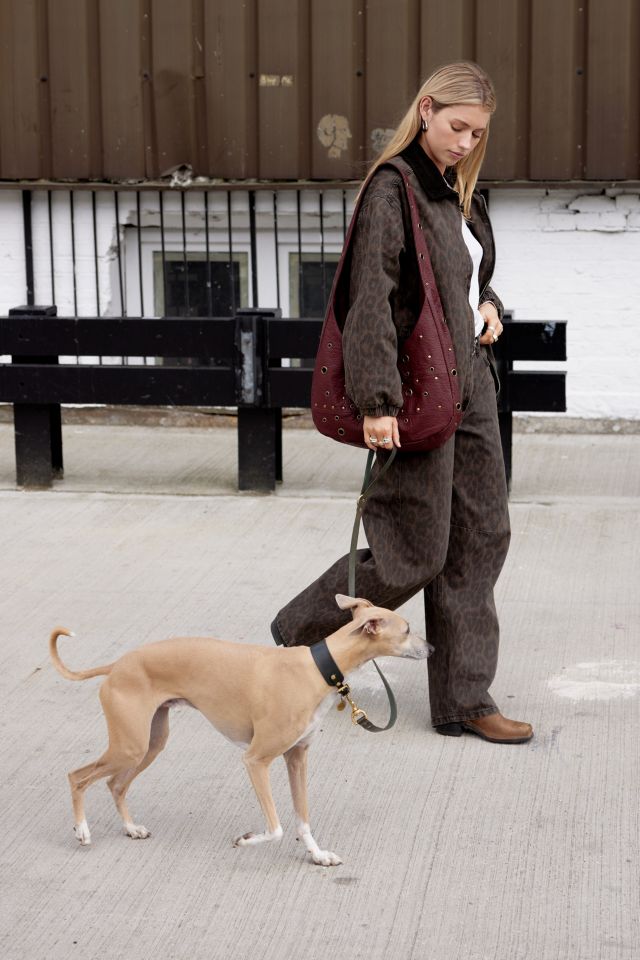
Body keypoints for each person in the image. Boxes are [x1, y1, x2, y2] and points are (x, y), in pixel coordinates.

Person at [271, 61, 533, 745]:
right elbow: (371, 303)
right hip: (417, 392)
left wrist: (488, 306)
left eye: (478, 133)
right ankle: (297, 639)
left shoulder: (458, 193)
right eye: (457, 127)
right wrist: (377, 400)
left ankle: (463, 699)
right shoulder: (396, 189)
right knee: (414, 548)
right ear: (425, 110)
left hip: (471, 381)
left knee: (480, 537)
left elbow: (466, 279)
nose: (466, 142)